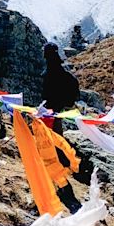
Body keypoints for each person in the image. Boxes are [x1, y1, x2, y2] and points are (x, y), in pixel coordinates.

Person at [39, 42, 81, 212]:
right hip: (58, 111)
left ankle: (56, 166)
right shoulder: (63, 73)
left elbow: (45, 93)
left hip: (49, 111)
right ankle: (61, 162)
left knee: (50, 138)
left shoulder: (47, 73)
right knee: (58, 137)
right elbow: (73, 86)